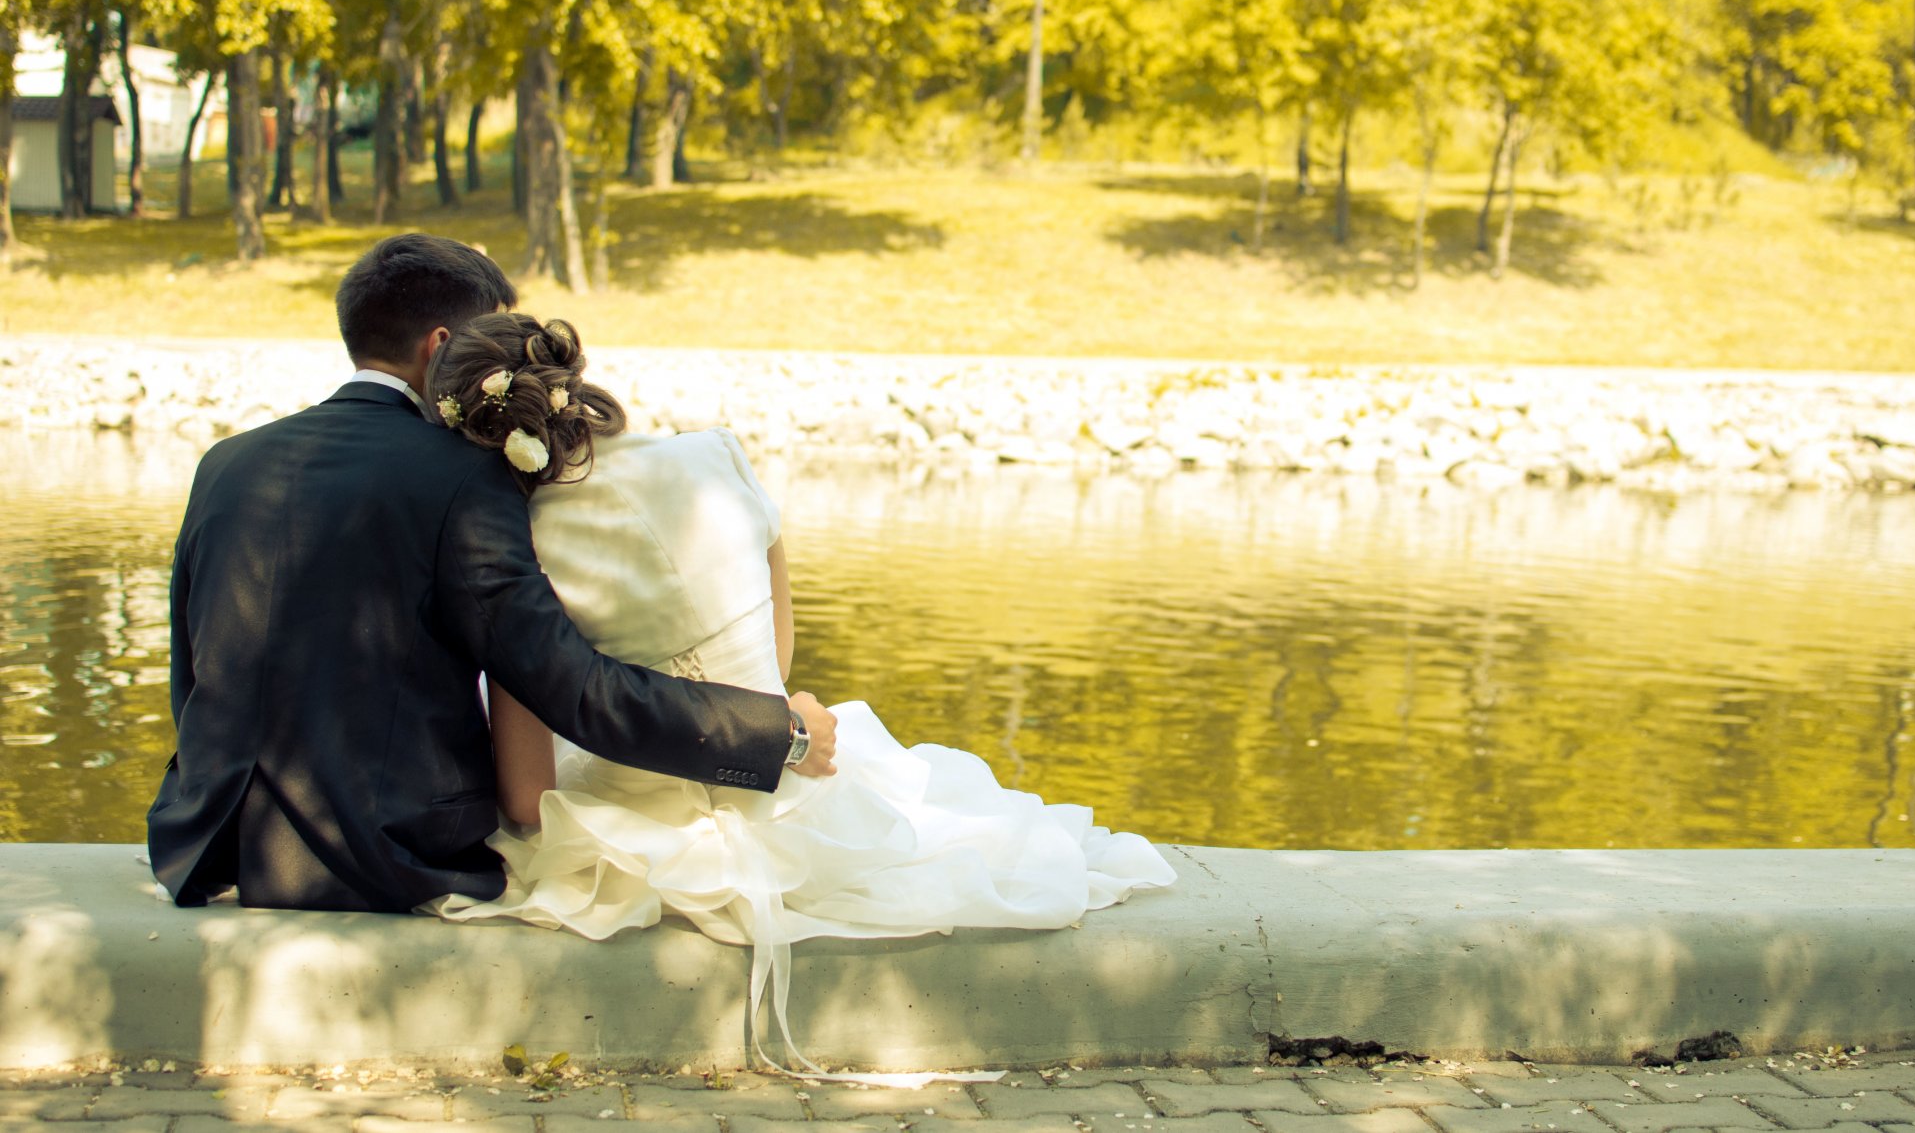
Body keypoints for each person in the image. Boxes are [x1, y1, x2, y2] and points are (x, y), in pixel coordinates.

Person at [420, 311, 1176, 1073]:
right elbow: (775, 660)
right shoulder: (714, 455)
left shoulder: (518, 553)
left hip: (642, 824)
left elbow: (528, 799)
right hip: (794, 779)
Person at [148, 234, 838, 913]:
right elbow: (571, 686)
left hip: (216, 840)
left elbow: (193, 668)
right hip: (388, 854)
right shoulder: (462, 477)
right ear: (440, 345)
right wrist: (777, 735)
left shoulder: (226, 462)